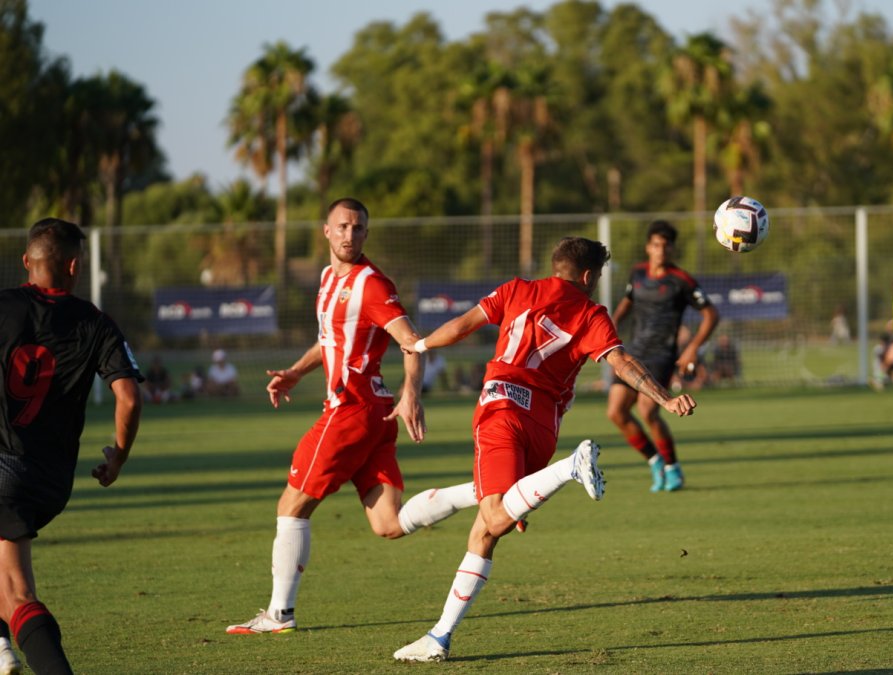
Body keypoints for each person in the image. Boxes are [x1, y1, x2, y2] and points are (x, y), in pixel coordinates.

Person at [392, 236, 697, 662]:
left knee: (494, 515)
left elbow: (462, 327)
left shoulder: (516, 289)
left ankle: (570, 466)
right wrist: (664, 398)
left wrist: (420, 345)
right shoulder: (593, 313)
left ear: (558, 268)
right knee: (486, 528)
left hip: (501, 407)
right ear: (589, 276)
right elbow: (622, 364)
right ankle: (439, 637)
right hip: (544, 423)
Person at [226, 199, 476, 635]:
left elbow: (412, 343)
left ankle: (279, 614)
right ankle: (488, 490)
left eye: (358, 228)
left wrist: (412, 392)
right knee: (389, 523)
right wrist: (294, 373)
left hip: (351, 411)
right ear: (326, 230)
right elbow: (329, 341)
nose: (350, 235)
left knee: (292, 506)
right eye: (342, 226)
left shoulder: (373, 285)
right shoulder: (326, 279)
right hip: (373, 414)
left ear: (366, 233)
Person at [0, 217, 143, 674]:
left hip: (3, 464)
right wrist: (118, 456)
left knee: (17, 594)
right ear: (75, 266)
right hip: (49, 479)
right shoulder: (95, 323)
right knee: (11, 586)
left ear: (27, 262)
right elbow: (129, 397)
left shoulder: (3, 307)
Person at [605, 221, 718, 492]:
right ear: (648, 247)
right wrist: (611, 326)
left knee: (647, 411)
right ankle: (655, 461)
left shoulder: (682, 280)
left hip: (662, 354)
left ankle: (673, 468)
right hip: (634, 352)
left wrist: (691, 348)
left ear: (673, 249)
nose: (661, 250)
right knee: (616, 412)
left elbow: (711, 314)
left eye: (666, 246)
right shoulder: (638, 273)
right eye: (656, 245)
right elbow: (627, 303)